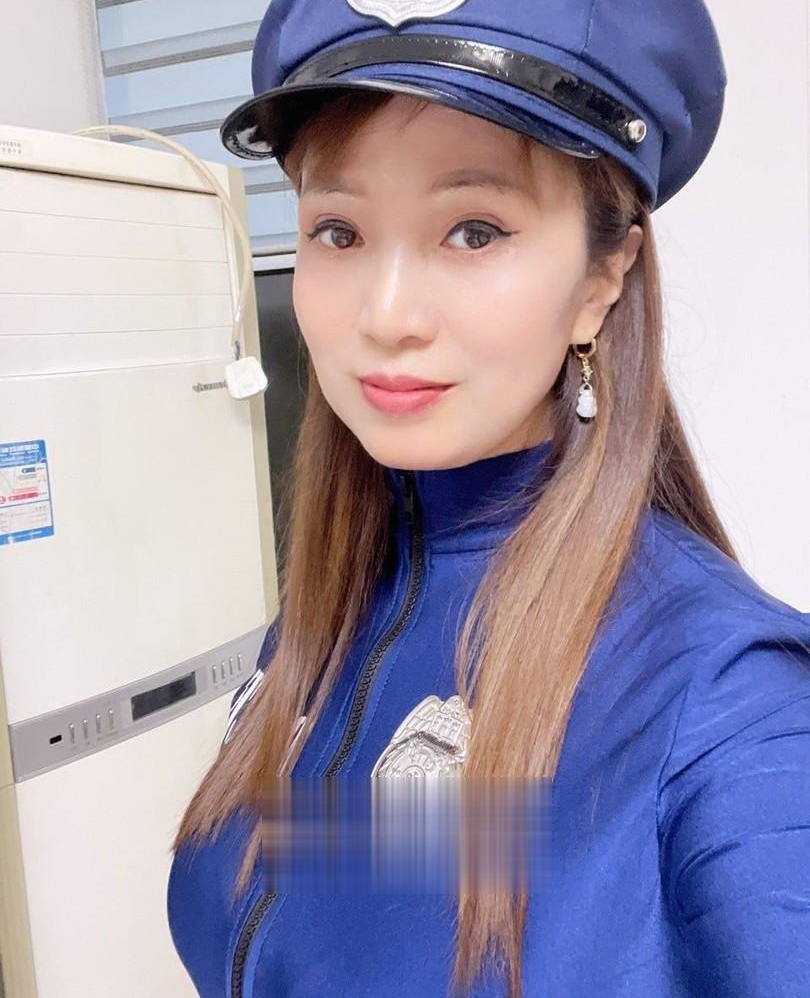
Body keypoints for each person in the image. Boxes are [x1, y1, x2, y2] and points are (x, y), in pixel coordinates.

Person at [167, 2, 810, 996]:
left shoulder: (733, 710)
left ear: (603, 277)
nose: (386, 314)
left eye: (474, 231)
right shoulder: (334, 612)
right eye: (338, 230)